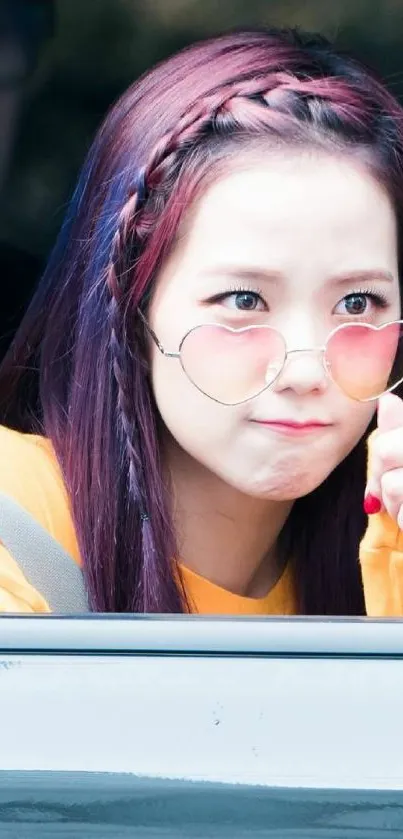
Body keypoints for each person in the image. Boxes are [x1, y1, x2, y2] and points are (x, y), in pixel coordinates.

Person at [1, 26, 403, 616]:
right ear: (131, 310)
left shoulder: (380, 552)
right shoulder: (16, 521)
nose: (305, 371)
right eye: (244, 300)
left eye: (357, 303)